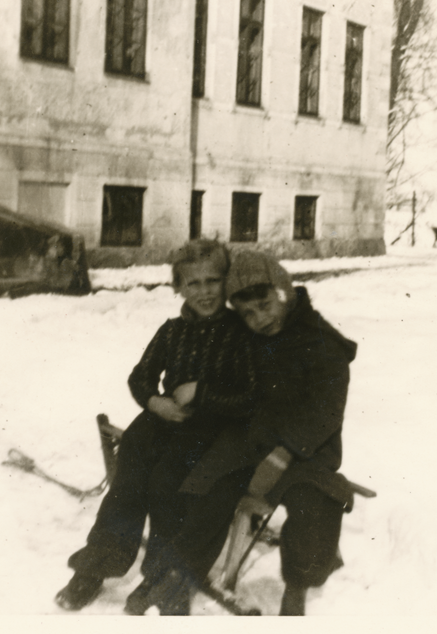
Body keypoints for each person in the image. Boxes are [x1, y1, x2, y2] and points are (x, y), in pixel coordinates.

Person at [148, 250, 358, 616]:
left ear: (284, 293)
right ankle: (177, 576)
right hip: (251, 439)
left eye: (265, 305)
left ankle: (297, 586)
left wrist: (282, 456)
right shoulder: (249, 339)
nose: (259, 319)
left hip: (305, 448)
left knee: (316, 500)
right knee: (209, 484)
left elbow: (325, 413)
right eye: (247, 313)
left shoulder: (321, 342)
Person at [55, 240, 257, 614]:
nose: (204, 291)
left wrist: (204, 394)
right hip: (161, 422)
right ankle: (97, 564)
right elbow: (140, 376)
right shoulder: (172, 331)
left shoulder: (240, 334)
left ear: (226, 282)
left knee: (168, 483)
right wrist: (154, 401)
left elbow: (249, 396)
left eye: (213, 281)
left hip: (210, 430)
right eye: (193, 283)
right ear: (178, 287)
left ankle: (161, 576)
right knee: (128, 484)